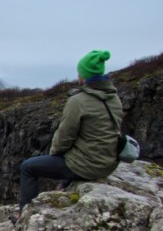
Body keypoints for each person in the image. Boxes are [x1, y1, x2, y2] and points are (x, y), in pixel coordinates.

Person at [13, 50, 123, 222]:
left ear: (84, 76)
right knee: (73, 154)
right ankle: (64, 184)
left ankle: (24, 213)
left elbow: (64, 137)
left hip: (88, 166)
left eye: (80, 72)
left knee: (28, 167)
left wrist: (54, 153)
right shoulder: (114, 98)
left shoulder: (78, 101)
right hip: (109, 163)